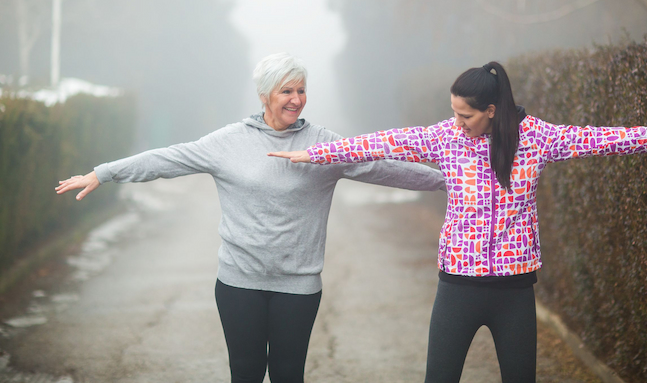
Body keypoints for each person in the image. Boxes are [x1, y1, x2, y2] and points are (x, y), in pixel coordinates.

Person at [269, 61, 647, 383]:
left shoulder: (537, 138)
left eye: (465, 115)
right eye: (453, 113)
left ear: (492, 110)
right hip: (457, 285)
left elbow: (601, 138)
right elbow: (379, 143)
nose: (457, 123)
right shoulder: (444, 137)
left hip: (514, 289)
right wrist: (309, 154)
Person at [55, 53, 446, 383]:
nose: (296, 100)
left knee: (288, 374)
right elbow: (167, 159)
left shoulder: (323, 145)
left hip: (299, 283)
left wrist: (450, 181)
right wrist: (103, 173)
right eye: (286, 91)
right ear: (264, 95)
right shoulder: (228, 142)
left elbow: (382, 168)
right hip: (239, 281)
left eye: (301, 90)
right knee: (245, 372)